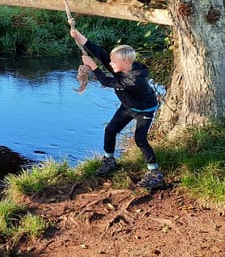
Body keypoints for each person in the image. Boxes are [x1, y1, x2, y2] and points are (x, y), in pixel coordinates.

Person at [70, 27, 163, 189]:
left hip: (144, 110)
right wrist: (79, 37)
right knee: (110, 130)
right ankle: (109, 160)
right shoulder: (119, 66)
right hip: (127, 106)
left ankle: (155, 173)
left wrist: (93, 67)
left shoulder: (134, 79)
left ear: (126, 64)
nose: (110, 63)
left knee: (140, 140)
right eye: (111, 60)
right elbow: (100, 53)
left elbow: (106, 82)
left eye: (114, 62)